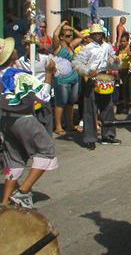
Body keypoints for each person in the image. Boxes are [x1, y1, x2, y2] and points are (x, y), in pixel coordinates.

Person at [0, 37, 58, 209]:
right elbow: (44, 97)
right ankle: (23, 192)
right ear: (11, 56)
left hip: (6, 120)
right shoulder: (19, 77)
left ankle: (4, 202)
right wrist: (48, 74)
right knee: (46, 151)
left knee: (14, 159)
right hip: (24, 119)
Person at [73, 23, 121, 150]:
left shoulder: (108, 47)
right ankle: (90, 138)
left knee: (107, 107)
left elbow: (112, 62)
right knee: (90, 109)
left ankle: (108, 135)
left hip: (105, 76)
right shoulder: (86, 48)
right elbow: (77, 63)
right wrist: (88, 71)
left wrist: (115, 62)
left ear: (103, 35)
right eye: (95, 34)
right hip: (91, 78)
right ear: (91, 35)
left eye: (99, 33)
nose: (97, 35)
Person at [52, 22, 83, 135]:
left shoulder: (71, 46)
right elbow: (54, 35)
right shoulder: (58, 47)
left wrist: (72, 28)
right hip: (62, 79)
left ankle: (69, 123)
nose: (70, 37)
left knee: (71, 101)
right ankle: (58, 126)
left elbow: (81, 37)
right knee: (61, 102)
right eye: (67, 36)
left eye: (70, 36)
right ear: (62, 37)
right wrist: (60, 25)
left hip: (74, 77)